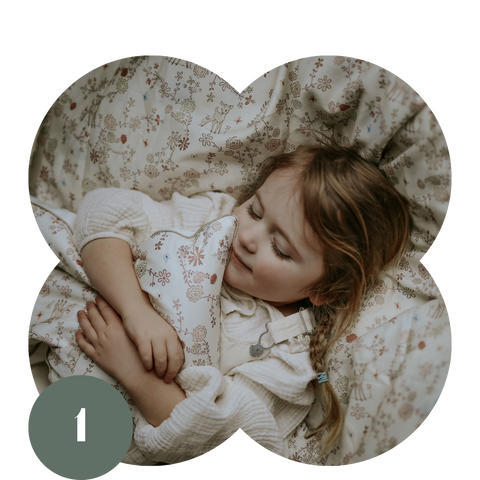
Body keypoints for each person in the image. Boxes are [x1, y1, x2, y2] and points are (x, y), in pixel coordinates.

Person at [74, 139, 413, 466]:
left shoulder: (286, 359)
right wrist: (135, 311)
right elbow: (101, 213)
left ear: (324, 290)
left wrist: (133, 370)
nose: (248, 236)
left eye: (280, 248)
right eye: (254, 210)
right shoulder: (211, 220)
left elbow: (215, 437)